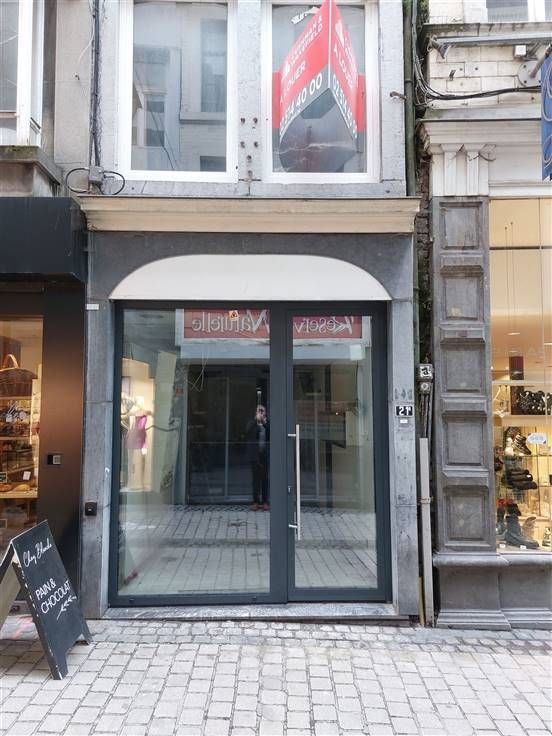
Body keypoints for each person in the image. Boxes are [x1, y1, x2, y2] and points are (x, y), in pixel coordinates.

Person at [245, 405, 269, 510]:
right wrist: (256, 420)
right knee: (255, 479)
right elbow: (248, 431)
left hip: (264, 455)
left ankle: (265, 501)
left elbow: (271, 433)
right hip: (255, 455)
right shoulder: (252, 423)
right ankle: (255, 501)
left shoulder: (267, 423)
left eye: (262, 411)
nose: (261, 413)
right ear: (255, 412)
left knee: (265, 479)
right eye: (259, 411)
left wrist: (264, 422)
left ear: (265, 412)